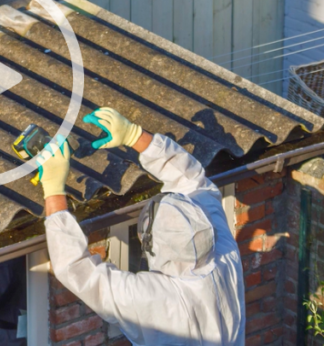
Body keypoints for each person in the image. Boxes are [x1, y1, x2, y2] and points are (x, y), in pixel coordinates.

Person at [35, 107, 245, 345]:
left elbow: (76, 269)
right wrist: (134, 136)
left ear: (152, 246)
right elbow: (194, 183)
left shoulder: (152, 298)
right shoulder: (224, 257)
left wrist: (53, 189)